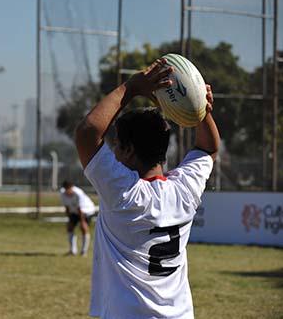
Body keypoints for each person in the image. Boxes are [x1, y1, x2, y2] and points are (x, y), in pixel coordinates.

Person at [75, 58, 220, 318]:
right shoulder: (184, 190)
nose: (114, 151)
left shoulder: (124, 193)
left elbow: (87, 133)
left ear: (129, 150)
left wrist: (132, 87)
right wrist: (201, 110)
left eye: (117, 145)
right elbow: (208, 148)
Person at [60, 180, 97, 256]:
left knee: (83, 228)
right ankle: (73, 251)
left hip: (87, 210)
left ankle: (84, 251)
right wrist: (69, 219)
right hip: (75, 211)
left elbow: (80, 209)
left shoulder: (78, 193)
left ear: (71, 188)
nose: (68, 191)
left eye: (69, 189)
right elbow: (67, 207)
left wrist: (82, 222)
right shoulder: (62, 193)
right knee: (70, 227)